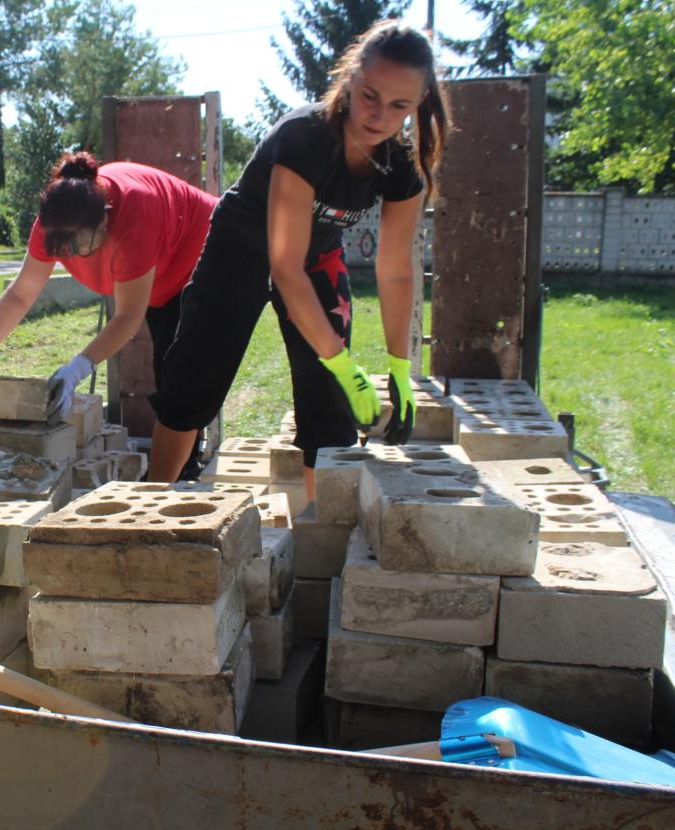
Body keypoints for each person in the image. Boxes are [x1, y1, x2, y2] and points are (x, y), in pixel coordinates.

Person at [147, 20, 450, 498]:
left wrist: (399, 366)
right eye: (370, 96)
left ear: (419, 103)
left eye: (399, 106)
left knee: (329, 404)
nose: (379, 116)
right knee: (192, 384)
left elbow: (395, 272)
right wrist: (343, 364)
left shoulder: (402, 165)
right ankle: (150, 501)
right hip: (240, 248)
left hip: (317, 254)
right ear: (350, 77)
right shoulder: (305, 138)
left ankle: (317, 528)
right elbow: (283, 266)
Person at [0, 154, 217, 436]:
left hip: (208, 250)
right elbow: (21, 294)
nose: (73, 256)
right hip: (161, 277)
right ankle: (181, 455)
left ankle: (185, 462)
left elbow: (128, 317)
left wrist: (76, 369)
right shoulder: (53, 222)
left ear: (104, 220)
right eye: (62, 249)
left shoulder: (134, 217)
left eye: (79, 245)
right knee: (169, 376)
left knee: (180, 387)